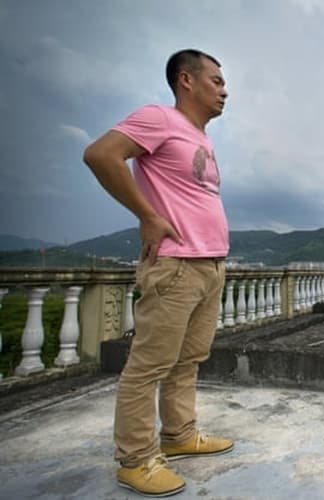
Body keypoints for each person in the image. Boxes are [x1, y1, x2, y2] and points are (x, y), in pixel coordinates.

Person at [84, 48, 233, 497]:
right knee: (148, 366)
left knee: (187, 360)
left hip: (209, 264)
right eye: (217, 80)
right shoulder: (158, 118)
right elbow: (101, 154)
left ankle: (179, 435)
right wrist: (147, 217)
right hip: (175, 267)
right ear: (186, 80)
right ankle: (136, 459)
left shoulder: (200, 138)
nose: (225, 90)